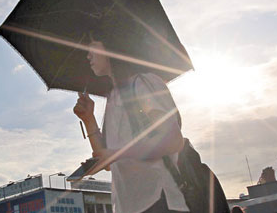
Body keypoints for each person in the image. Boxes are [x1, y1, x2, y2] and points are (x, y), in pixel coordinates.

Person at [73, 30, 190, 213]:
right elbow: (109, 162)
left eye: (92, 47)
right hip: (129, 206)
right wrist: (89, 119)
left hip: (160, 200)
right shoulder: (112, 99)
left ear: (110, 47)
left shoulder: (143, 83)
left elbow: (173, 140)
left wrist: (117, 153)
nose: (88, 55)